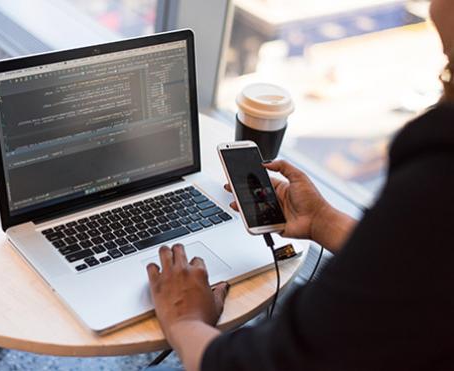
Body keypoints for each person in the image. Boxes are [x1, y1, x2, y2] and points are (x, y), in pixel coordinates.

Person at [146, 1, 454, 370]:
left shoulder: (436, 183)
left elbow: (270, 363)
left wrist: (185, 322)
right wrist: (323, 220)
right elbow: (416, 271)